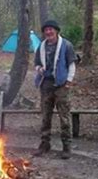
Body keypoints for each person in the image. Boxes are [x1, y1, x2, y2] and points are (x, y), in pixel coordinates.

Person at [33, 20, 77, 159]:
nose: (48, 32)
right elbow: (36, 63)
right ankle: (45, 144)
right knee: (46, 116)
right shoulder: (41, 46)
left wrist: (69, 81)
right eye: (46, 30)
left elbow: (72, 64)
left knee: (64, 117)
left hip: (62, 85)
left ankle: (67, 146)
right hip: (46, 84)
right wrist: (39, 69)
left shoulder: (66, 45)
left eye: (51, 29)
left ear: (56, 31)